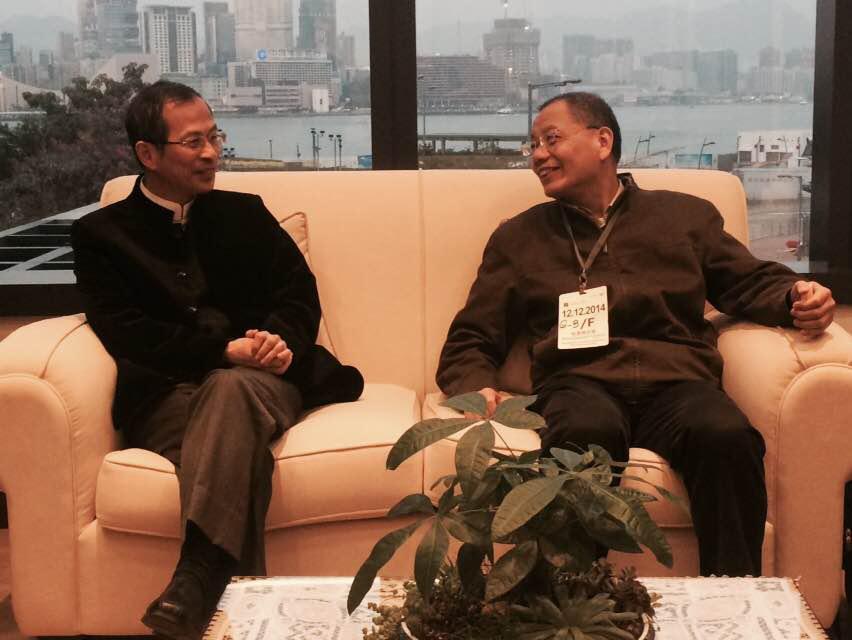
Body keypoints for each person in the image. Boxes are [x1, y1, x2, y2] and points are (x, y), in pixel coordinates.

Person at [436, 92, 834, 578]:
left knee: (726, 435)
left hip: (678, 384)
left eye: (551, 139)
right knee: (584, 434)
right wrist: (475, 386)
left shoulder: (684, 217)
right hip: (579, 383)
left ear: (603, 141)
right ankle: (574, 603)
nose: (538, 155)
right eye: (533, 145)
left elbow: (748, 280)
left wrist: (796, 296)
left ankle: (731, 599)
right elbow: (472, 334)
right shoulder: (520, 237)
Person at [71, 81, 364, 640]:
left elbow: (299, 296)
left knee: (230, 389)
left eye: (215, 137)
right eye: (193, 142)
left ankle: (195, 577)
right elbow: (124, 330)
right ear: (147, 154)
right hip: (166, 394)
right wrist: (221, 351)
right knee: (238, 449)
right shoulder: (100, 236)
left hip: (261, 381)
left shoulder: (245, 214)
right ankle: (237, 613)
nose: (211, 153)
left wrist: (277, 342)